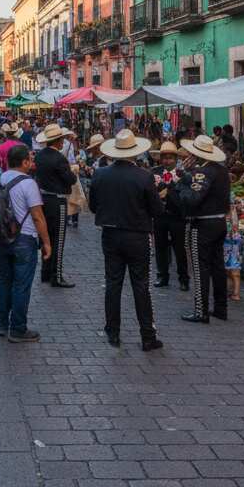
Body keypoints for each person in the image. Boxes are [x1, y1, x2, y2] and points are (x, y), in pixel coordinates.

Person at [89, 130, 164, 351]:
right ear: (135, 152)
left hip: (111, 234)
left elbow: (93, 206)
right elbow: (156, 209)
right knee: (141, 285)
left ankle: (113, 332)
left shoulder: (100, 174)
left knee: (113, 283)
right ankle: (147, 336)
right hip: (137, 235)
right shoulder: (144, 176)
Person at [0, 144, 52, 342]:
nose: (32, 162)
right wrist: (46, 242)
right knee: (21, 285)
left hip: (3, 237)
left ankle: (2, 323)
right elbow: (38, 216)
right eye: (30, 159)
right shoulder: (29, 183)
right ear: (24, 162)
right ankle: (18, 328)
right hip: (24, 238)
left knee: (5, 280)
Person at [176, 135, 231, 324]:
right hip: (219, 222)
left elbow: (192, 199)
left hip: (203, 225)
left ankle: (201, 311)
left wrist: (183, 182)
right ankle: (221, 308)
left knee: (200, 268)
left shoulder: (204, 172)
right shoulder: (222, 171)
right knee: (218, 267)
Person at [34, 123, 78, 288]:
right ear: (58, 141)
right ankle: (57, 275)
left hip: (43, 199)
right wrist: (74, 172)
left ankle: (45, 272)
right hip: (57, 201)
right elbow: (70, 180)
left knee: (46, 236)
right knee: (58, 239)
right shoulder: (59, 158)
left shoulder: (39, 156)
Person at [151, 141, 189, 291]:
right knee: (160, 247)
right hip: (160, 217)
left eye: (170, 158)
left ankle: (183, 278)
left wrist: (171, 187)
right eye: (164, 157)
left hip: (177, 217)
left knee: (179, 249)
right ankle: (162, 275)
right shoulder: (155, 172)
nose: (167, 161)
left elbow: (185, 198)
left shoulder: (182, 174)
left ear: (176, 159)